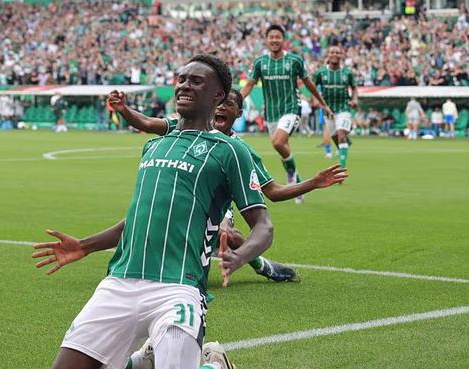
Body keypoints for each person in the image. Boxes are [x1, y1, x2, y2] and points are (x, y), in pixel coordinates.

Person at [33, 54, 273, 369]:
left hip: (178, 288)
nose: (184, 85)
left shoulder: (230, 151)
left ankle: (215, 367)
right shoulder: (154, 144)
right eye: (181, 79)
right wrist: (84, 246)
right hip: (120, 282)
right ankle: (144, 360)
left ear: (219, 96)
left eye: (196, 81)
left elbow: (264, 225)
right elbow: (137, 218)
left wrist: (241, 256)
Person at [107, 87, 347, 282]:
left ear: (239, 113)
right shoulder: (186, 126)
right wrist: (124, 109)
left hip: (216, 204)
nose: (221, 107)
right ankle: (94, 248)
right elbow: (147, 123)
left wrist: (313, 183)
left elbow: (273, 191)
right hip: (182, 194)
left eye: (228, 104)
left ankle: (259, 265)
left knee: (226, 233)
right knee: (145, 217)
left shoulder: (239, 151)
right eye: (218, 103)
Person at [240, 24, 333, 204]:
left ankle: (292, 175)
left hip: (291, 108)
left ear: (283, 40)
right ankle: (296, 181)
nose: (274, 40)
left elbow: (309, 84)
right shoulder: (260, 63)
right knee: (282, 148)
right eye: (271, 37)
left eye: (278, 37)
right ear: (266, 40)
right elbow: (249, 85)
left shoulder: (294, 60)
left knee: (277, 142)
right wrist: (236, 101)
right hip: (271, 113)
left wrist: (323, 104)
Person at [313, 46, 358, 169]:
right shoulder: (321, 72)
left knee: (341, 134)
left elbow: (354, 88)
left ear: (341, 55)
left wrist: (355, 99)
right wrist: (315, 100)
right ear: (328, 55)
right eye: (332, 52)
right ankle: (344, 147)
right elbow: (312, 87)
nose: (335, 54)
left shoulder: (347, 73)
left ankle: (342, 168)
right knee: (335, 137)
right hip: (328, 110)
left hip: (344, 108)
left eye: (337, 53)